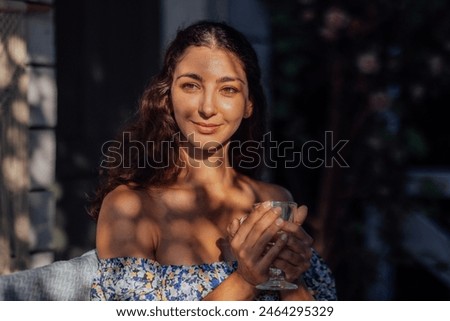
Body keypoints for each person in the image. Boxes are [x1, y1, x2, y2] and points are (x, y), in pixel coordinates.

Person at [89, 20, 336, 301]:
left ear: (248, 105)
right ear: (168, 97)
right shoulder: (131, 207)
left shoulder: (274, 201)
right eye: (191, 86)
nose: (207, 108)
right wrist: (244, 280)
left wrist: (291, 279)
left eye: (228, 89)